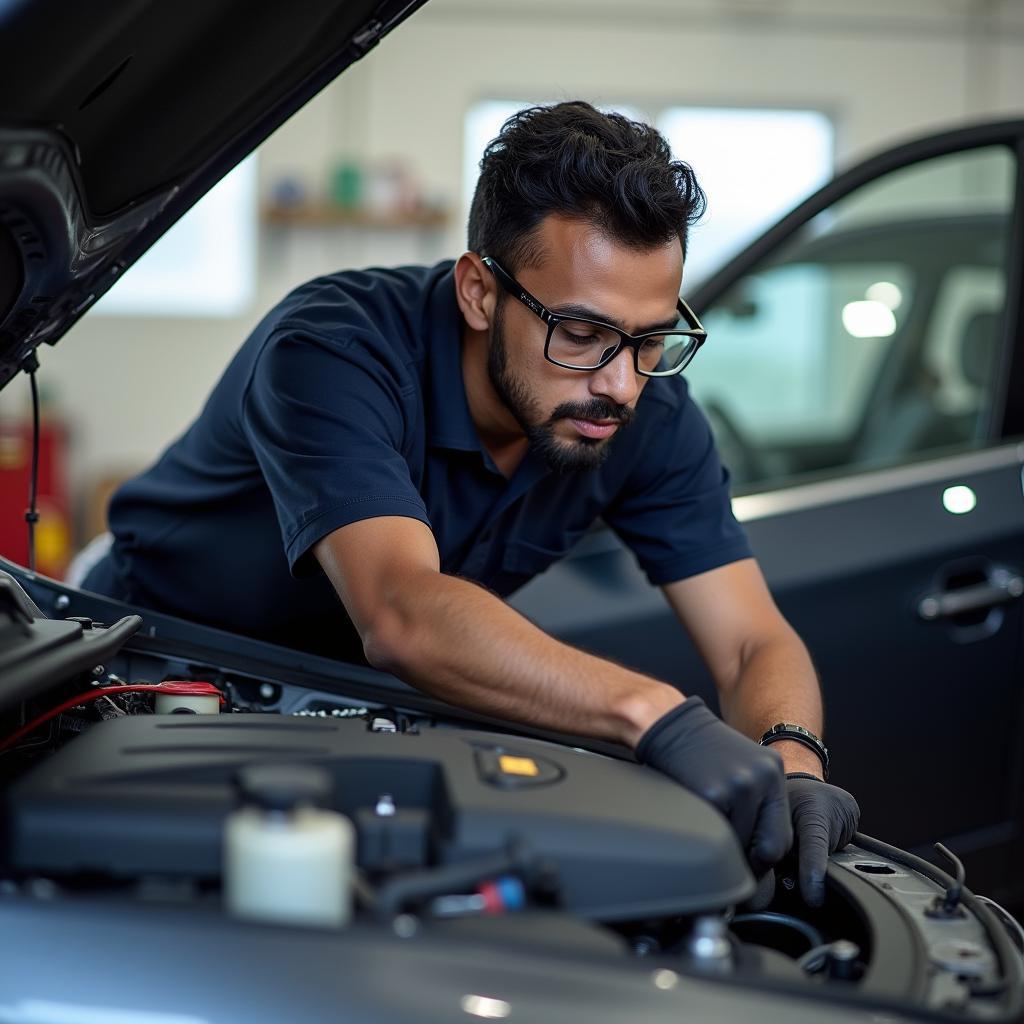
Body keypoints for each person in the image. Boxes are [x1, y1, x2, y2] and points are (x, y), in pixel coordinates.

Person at [83, 101, 858, 904]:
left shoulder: (648, 417)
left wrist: (791, 760)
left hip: (359, 713)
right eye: (583, 334)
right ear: (480, 292)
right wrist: (658, 717)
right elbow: (403, 614)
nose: (620, 383)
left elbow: (750, 643)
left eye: (651, 338)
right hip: (142, 668)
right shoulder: (334, 348)